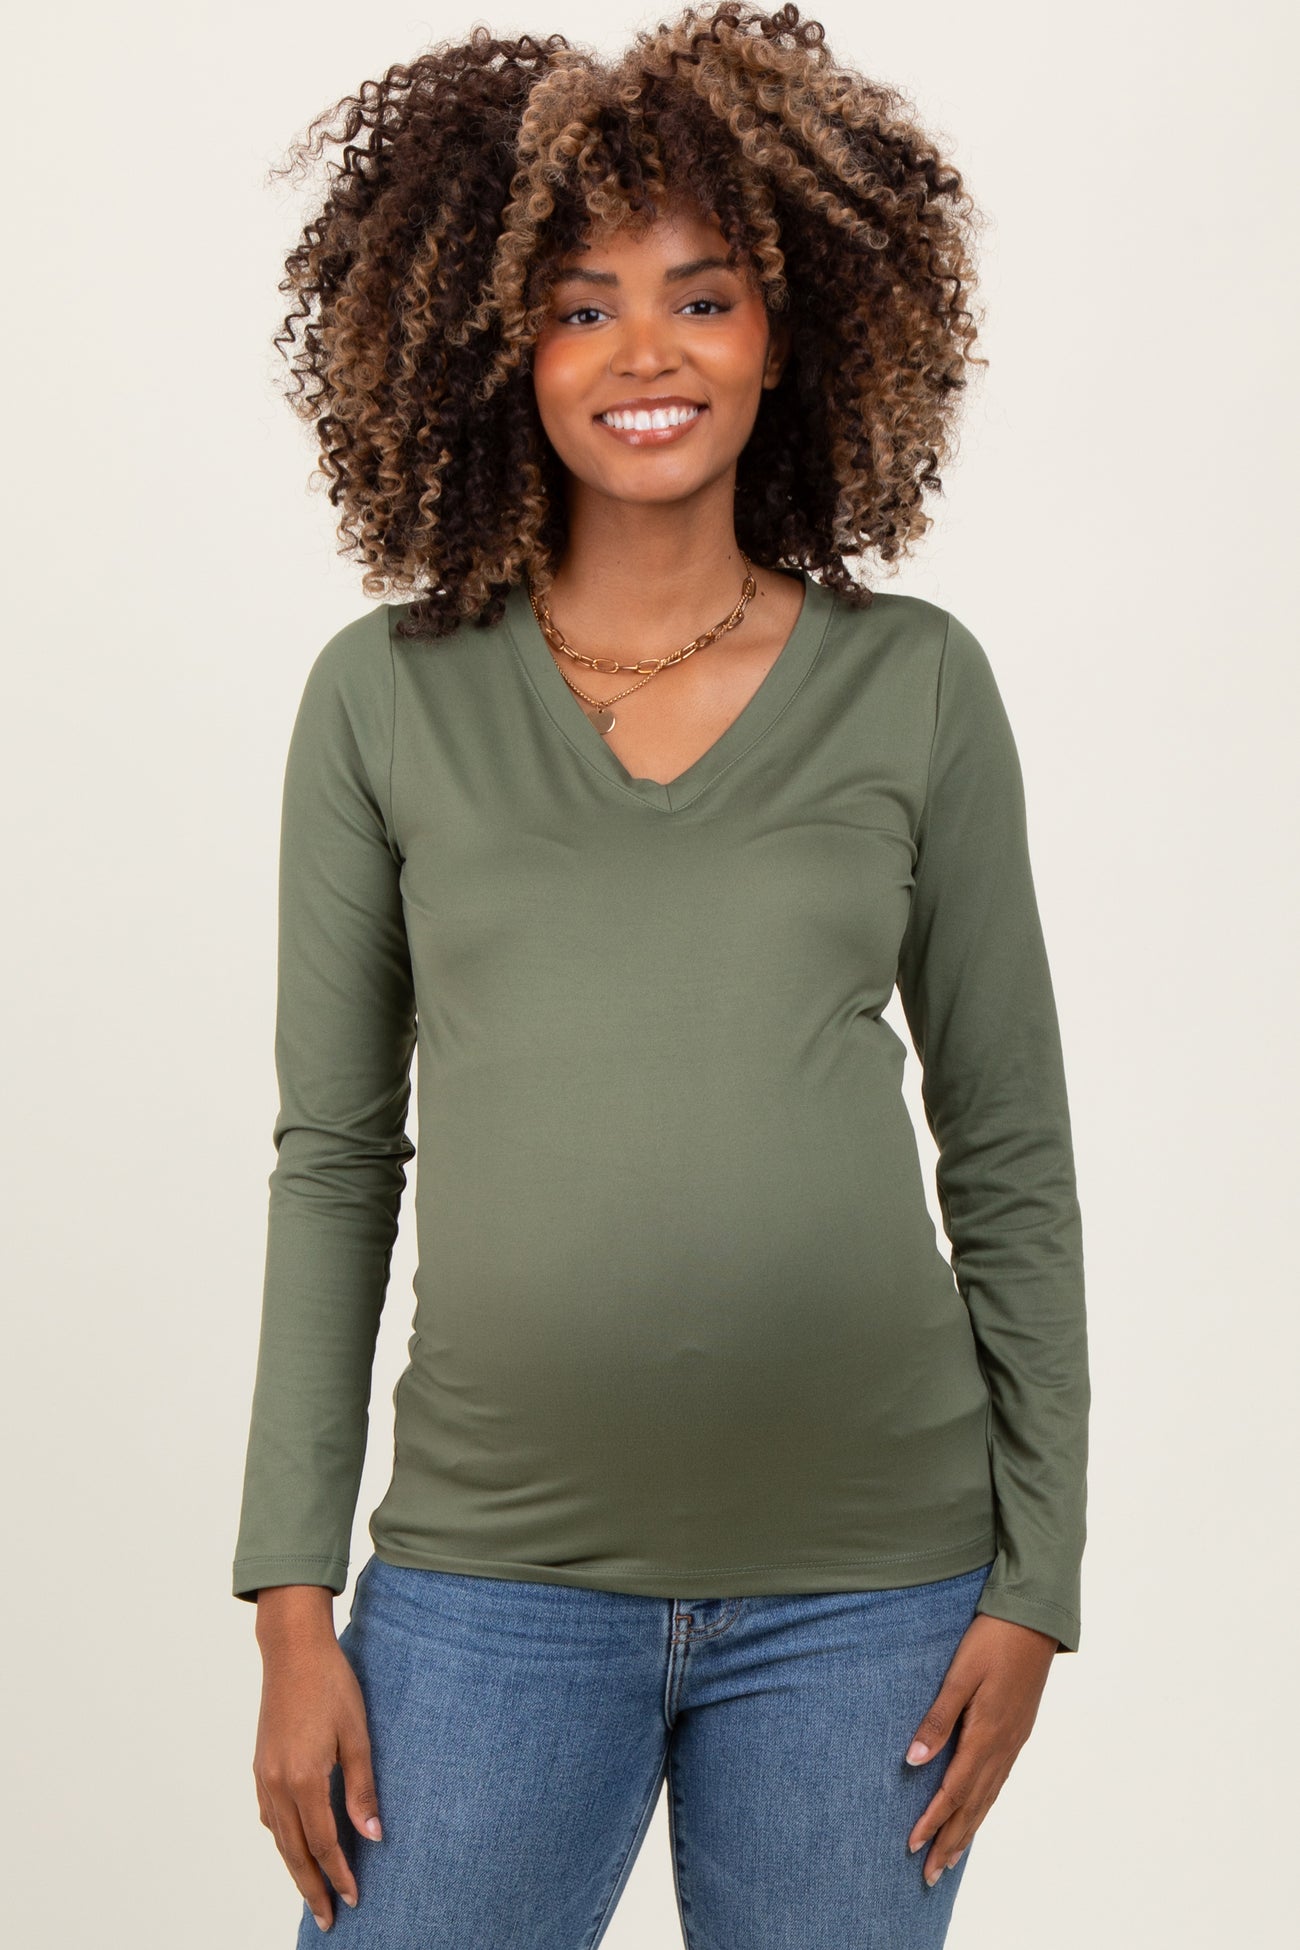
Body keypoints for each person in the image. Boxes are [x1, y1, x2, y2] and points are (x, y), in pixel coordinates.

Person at [231, 5, 1090, 1944]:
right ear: (494, 348)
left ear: (788, 330)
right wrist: (291, 1600)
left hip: (872, 1593)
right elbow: (334, 1159)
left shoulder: (915, 684)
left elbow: (1009, 1151)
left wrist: (1037, 1577)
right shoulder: (383, 700)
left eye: (702, 297)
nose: (646, 353)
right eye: (579, 306)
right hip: (489, 1584)